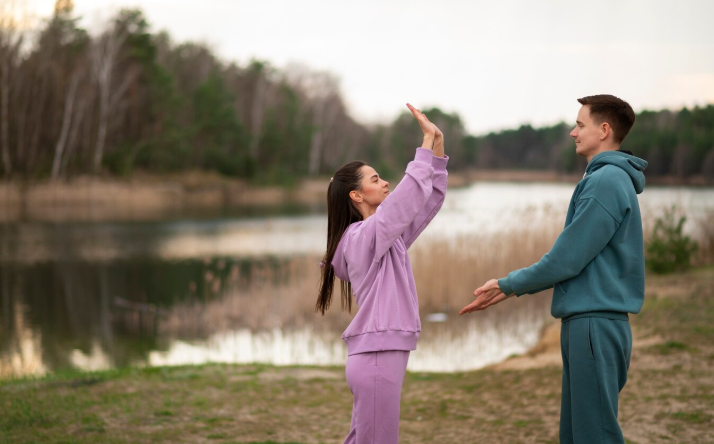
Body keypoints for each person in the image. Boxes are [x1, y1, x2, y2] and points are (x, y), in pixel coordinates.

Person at [460, 94, 647, 444]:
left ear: (604, 130)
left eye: (580, 125)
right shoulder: (608, 179)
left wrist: (507, 284)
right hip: (592, 323)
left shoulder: (606, 181)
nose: (573, 133)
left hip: (594, 324)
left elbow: (566, 259)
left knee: (595, 436)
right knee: (576, 434)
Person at [316, 103, 448, 444]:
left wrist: (437, 146)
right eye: (376, 179)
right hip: (376, 357)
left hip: (381, 353)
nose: (386, 182)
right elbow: (404, 201)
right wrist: (422, 148)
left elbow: (426, 200)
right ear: (357, 195)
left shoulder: (386, 238)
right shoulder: (363, 237)